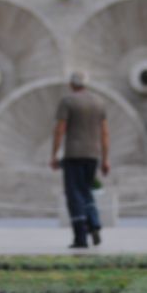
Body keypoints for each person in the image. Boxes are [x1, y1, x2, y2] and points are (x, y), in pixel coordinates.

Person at [51, 71, 110, 248]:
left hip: (73, 154)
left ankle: (80, 237)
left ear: (71, 84)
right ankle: (94, 224)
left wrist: (54, 154)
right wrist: (105, 159)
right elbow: (105, 133)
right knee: (86, 191)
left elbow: (60, 130)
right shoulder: (99, 102)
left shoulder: (67, 102)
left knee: (74, 194)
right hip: (93, 155)